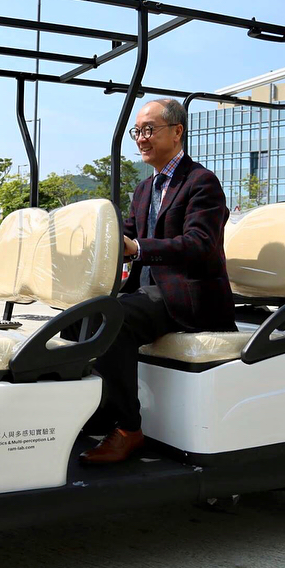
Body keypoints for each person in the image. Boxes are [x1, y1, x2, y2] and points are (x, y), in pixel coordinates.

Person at [77, 98, 236, 465]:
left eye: (149, 130)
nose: (141, 139)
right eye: (137, 131)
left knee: (113, 317)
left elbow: (200, 244)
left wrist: (138, 248)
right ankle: (100, 411)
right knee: (85, 312)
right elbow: (127, 238)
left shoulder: (202, 183)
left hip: (189, 297)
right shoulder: (144, 189)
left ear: (177, 132)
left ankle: (129, 428)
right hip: (150, 295)